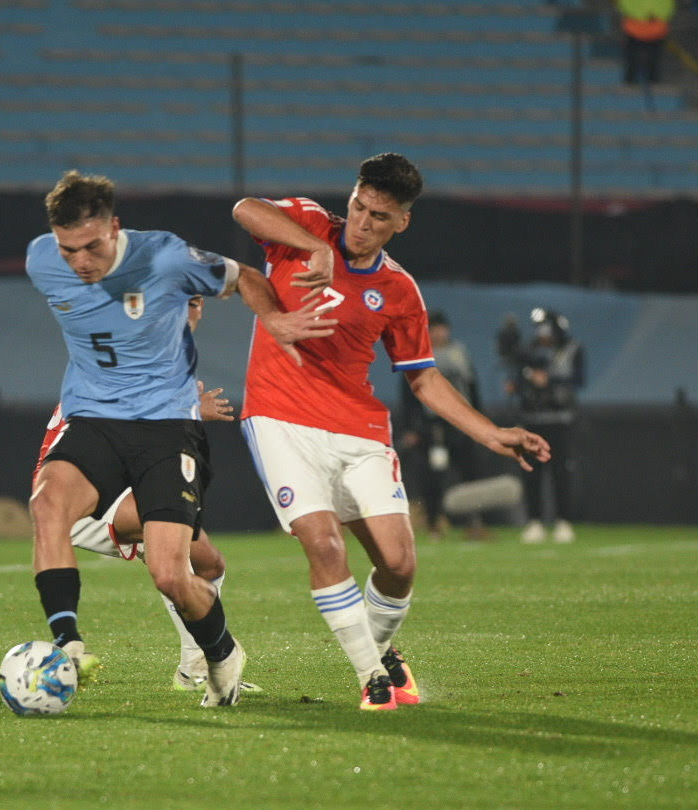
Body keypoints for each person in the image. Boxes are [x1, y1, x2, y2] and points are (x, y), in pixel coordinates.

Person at [232, 153, 551, 711]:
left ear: (401, 222)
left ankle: (378, 657)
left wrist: (491, 432)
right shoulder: (307, 226)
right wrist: (315, 250)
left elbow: (424, 380)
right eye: (358, 206)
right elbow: (244, 208)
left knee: (400, 565)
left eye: (379, 216)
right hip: (281, 420)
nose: (361, 222)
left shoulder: (399, 290)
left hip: (357, 428)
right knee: (325, 544)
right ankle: (373, 680)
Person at [26, 169, 334, 707]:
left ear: (115, 228)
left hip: (166, 428)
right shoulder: (41, 261)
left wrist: (278, 322)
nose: (80, 261)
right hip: (94, 417)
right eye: (68, 249)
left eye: (92, 246)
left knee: (172, 573)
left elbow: (242, 278)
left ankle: (220, 656)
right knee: (47, 502)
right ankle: (67, 643)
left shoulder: (165, 258)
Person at [34, 296, 260, 694]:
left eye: (194, 303)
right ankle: (68, 638)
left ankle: (195, 667)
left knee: (208, 564)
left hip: (121, 482)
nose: (188, 313)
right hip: (84, 494)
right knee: (171, 558)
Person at [395, 310, 486, 540]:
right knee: (432, 475)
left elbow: (473, 390)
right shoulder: (419, 355)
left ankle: (473, 522)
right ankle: (434, 522)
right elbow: (408, 394)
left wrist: (480, 423)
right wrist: (411, 428)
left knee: (469, 473)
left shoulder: (460, 354)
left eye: (442, 328)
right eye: (434, 328)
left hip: (461, 422)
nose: (439, 333)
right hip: (431, 426)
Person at [500, 308, 585, 544]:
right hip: (532, 420)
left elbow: (579, 380)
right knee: (531, 473)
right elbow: (517, 370)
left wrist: (551, 380)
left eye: (547, 329)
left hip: (560, 420)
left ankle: (563, 521)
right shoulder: (530, 350)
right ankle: (534, 521)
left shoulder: (571, 349)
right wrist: (518, 384)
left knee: (561, 472)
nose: (542, 335)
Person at [618, 0, 675, 87]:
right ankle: (635, 82)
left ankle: (634, 82)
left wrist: (643, 15)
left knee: (647, 61)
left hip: (647, 28)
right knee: (639, 61)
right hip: (641, 28)